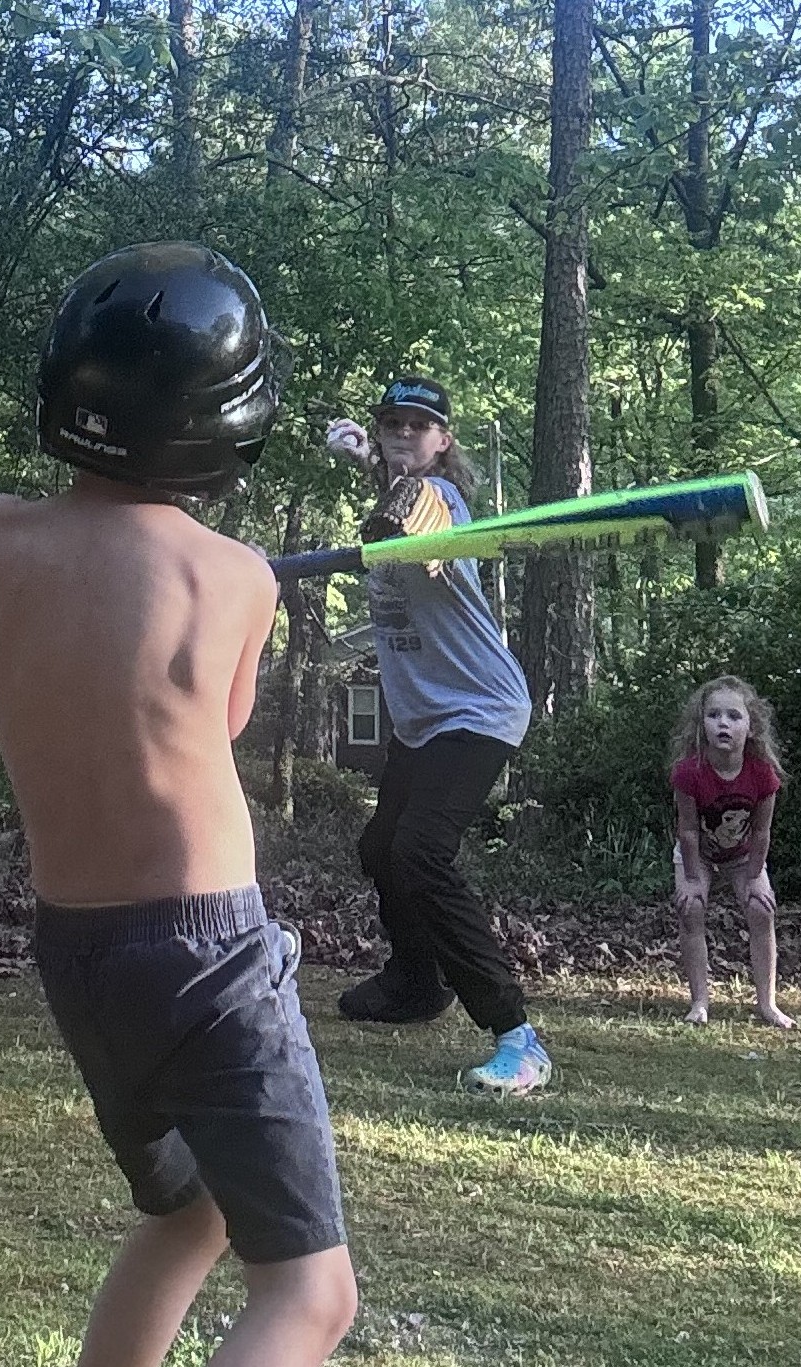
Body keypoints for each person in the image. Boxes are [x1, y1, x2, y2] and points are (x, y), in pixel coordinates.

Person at [0, 242, 357, 1367]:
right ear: (221, 421)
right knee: (308, 1293)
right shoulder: (234, 578)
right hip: (206, 952)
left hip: (80, 957)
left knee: (188, 1210)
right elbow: (218, 719)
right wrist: (223, 566)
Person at [323, 378, 551, 1096]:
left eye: (419, 426)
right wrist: (367, 460)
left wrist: (386, 482)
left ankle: (518, 1035)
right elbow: (393, 497)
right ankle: (418, 983)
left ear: (443, 441)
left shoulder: (441, 503)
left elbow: (417, 523)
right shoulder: (395, 485)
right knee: (381, 848)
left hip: (479, 709)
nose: (403, 433)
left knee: (422, 852)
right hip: (425, 723)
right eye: (392, 423)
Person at [668, 675, 791, 1028]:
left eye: (734, 716)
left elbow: (762, 831)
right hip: (700, 854)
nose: (724, 723)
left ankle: (767, 1003)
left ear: (750, 727)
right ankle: (699, 1002)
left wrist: (754, 879)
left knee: (761, 909)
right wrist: (691, 879)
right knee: (691, 908)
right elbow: (688, 830)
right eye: (714, 715)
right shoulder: (690, 772)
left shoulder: (762, 774)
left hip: (743, 855)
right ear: (701, 724)